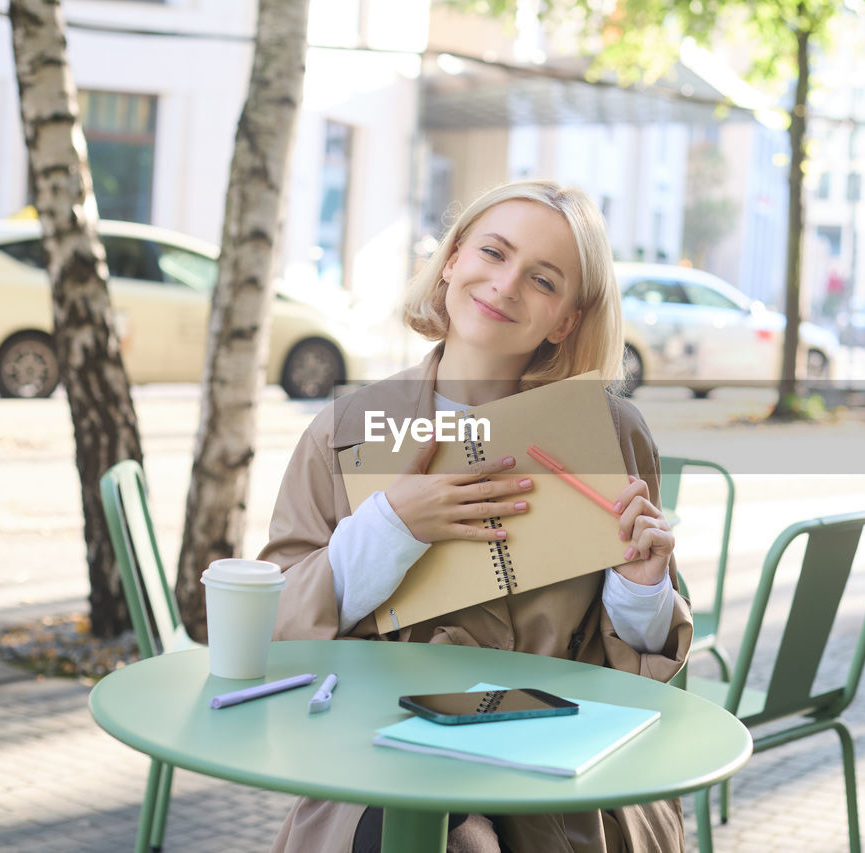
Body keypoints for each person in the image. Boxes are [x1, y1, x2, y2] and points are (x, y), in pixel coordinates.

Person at [259, 179, 692, 852]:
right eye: (492, 252)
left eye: (543, 280)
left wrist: (640, 587)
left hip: (560, 779)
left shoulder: (610, 434)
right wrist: (391, 526)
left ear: (567, 320)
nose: (505, 284)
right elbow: (274, 624)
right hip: (380, 759)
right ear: (454, 257)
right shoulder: (344, 430)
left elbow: (644, 678)